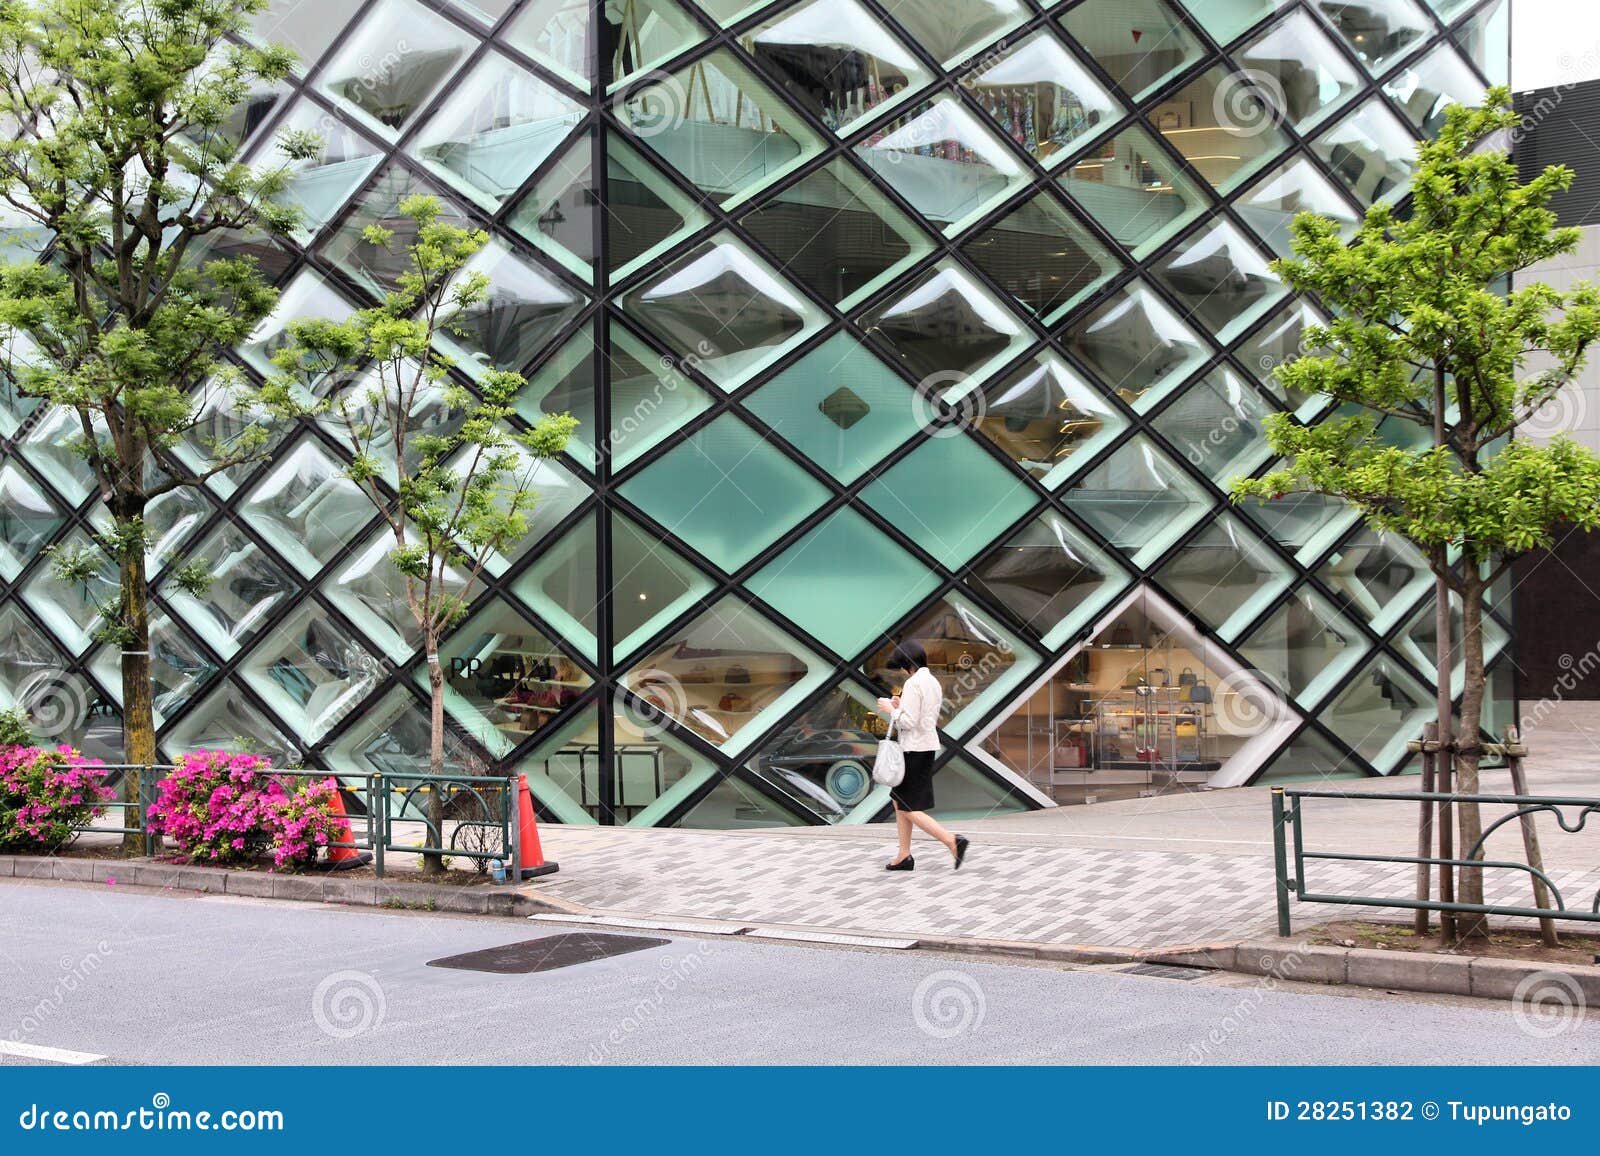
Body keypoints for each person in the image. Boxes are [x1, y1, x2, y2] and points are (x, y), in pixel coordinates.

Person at [876, 641, 969, 872]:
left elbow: (909, 722)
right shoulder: (933, 682)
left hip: (913, 749)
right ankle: (904, 855)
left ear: (907, 664)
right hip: (925, 746)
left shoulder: (913, 682)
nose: (901, 670)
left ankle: (952, 841)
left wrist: (891, 709)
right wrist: (900, 705)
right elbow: (920, 713)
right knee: (899, 800)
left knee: (908, 806)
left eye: (901, 666)